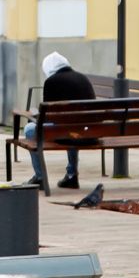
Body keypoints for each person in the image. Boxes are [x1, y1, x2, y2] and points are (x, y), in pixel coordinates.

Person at [21, 51, 94, 193]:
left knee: (30, 129)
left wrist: (35, 116)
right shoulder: (82, 78)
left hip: (66, 134)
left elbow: (48, 115)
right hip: (88, 133)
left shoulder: (51, 82)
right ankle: (72, 175)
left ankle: (40, 177)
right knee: (72, 127)